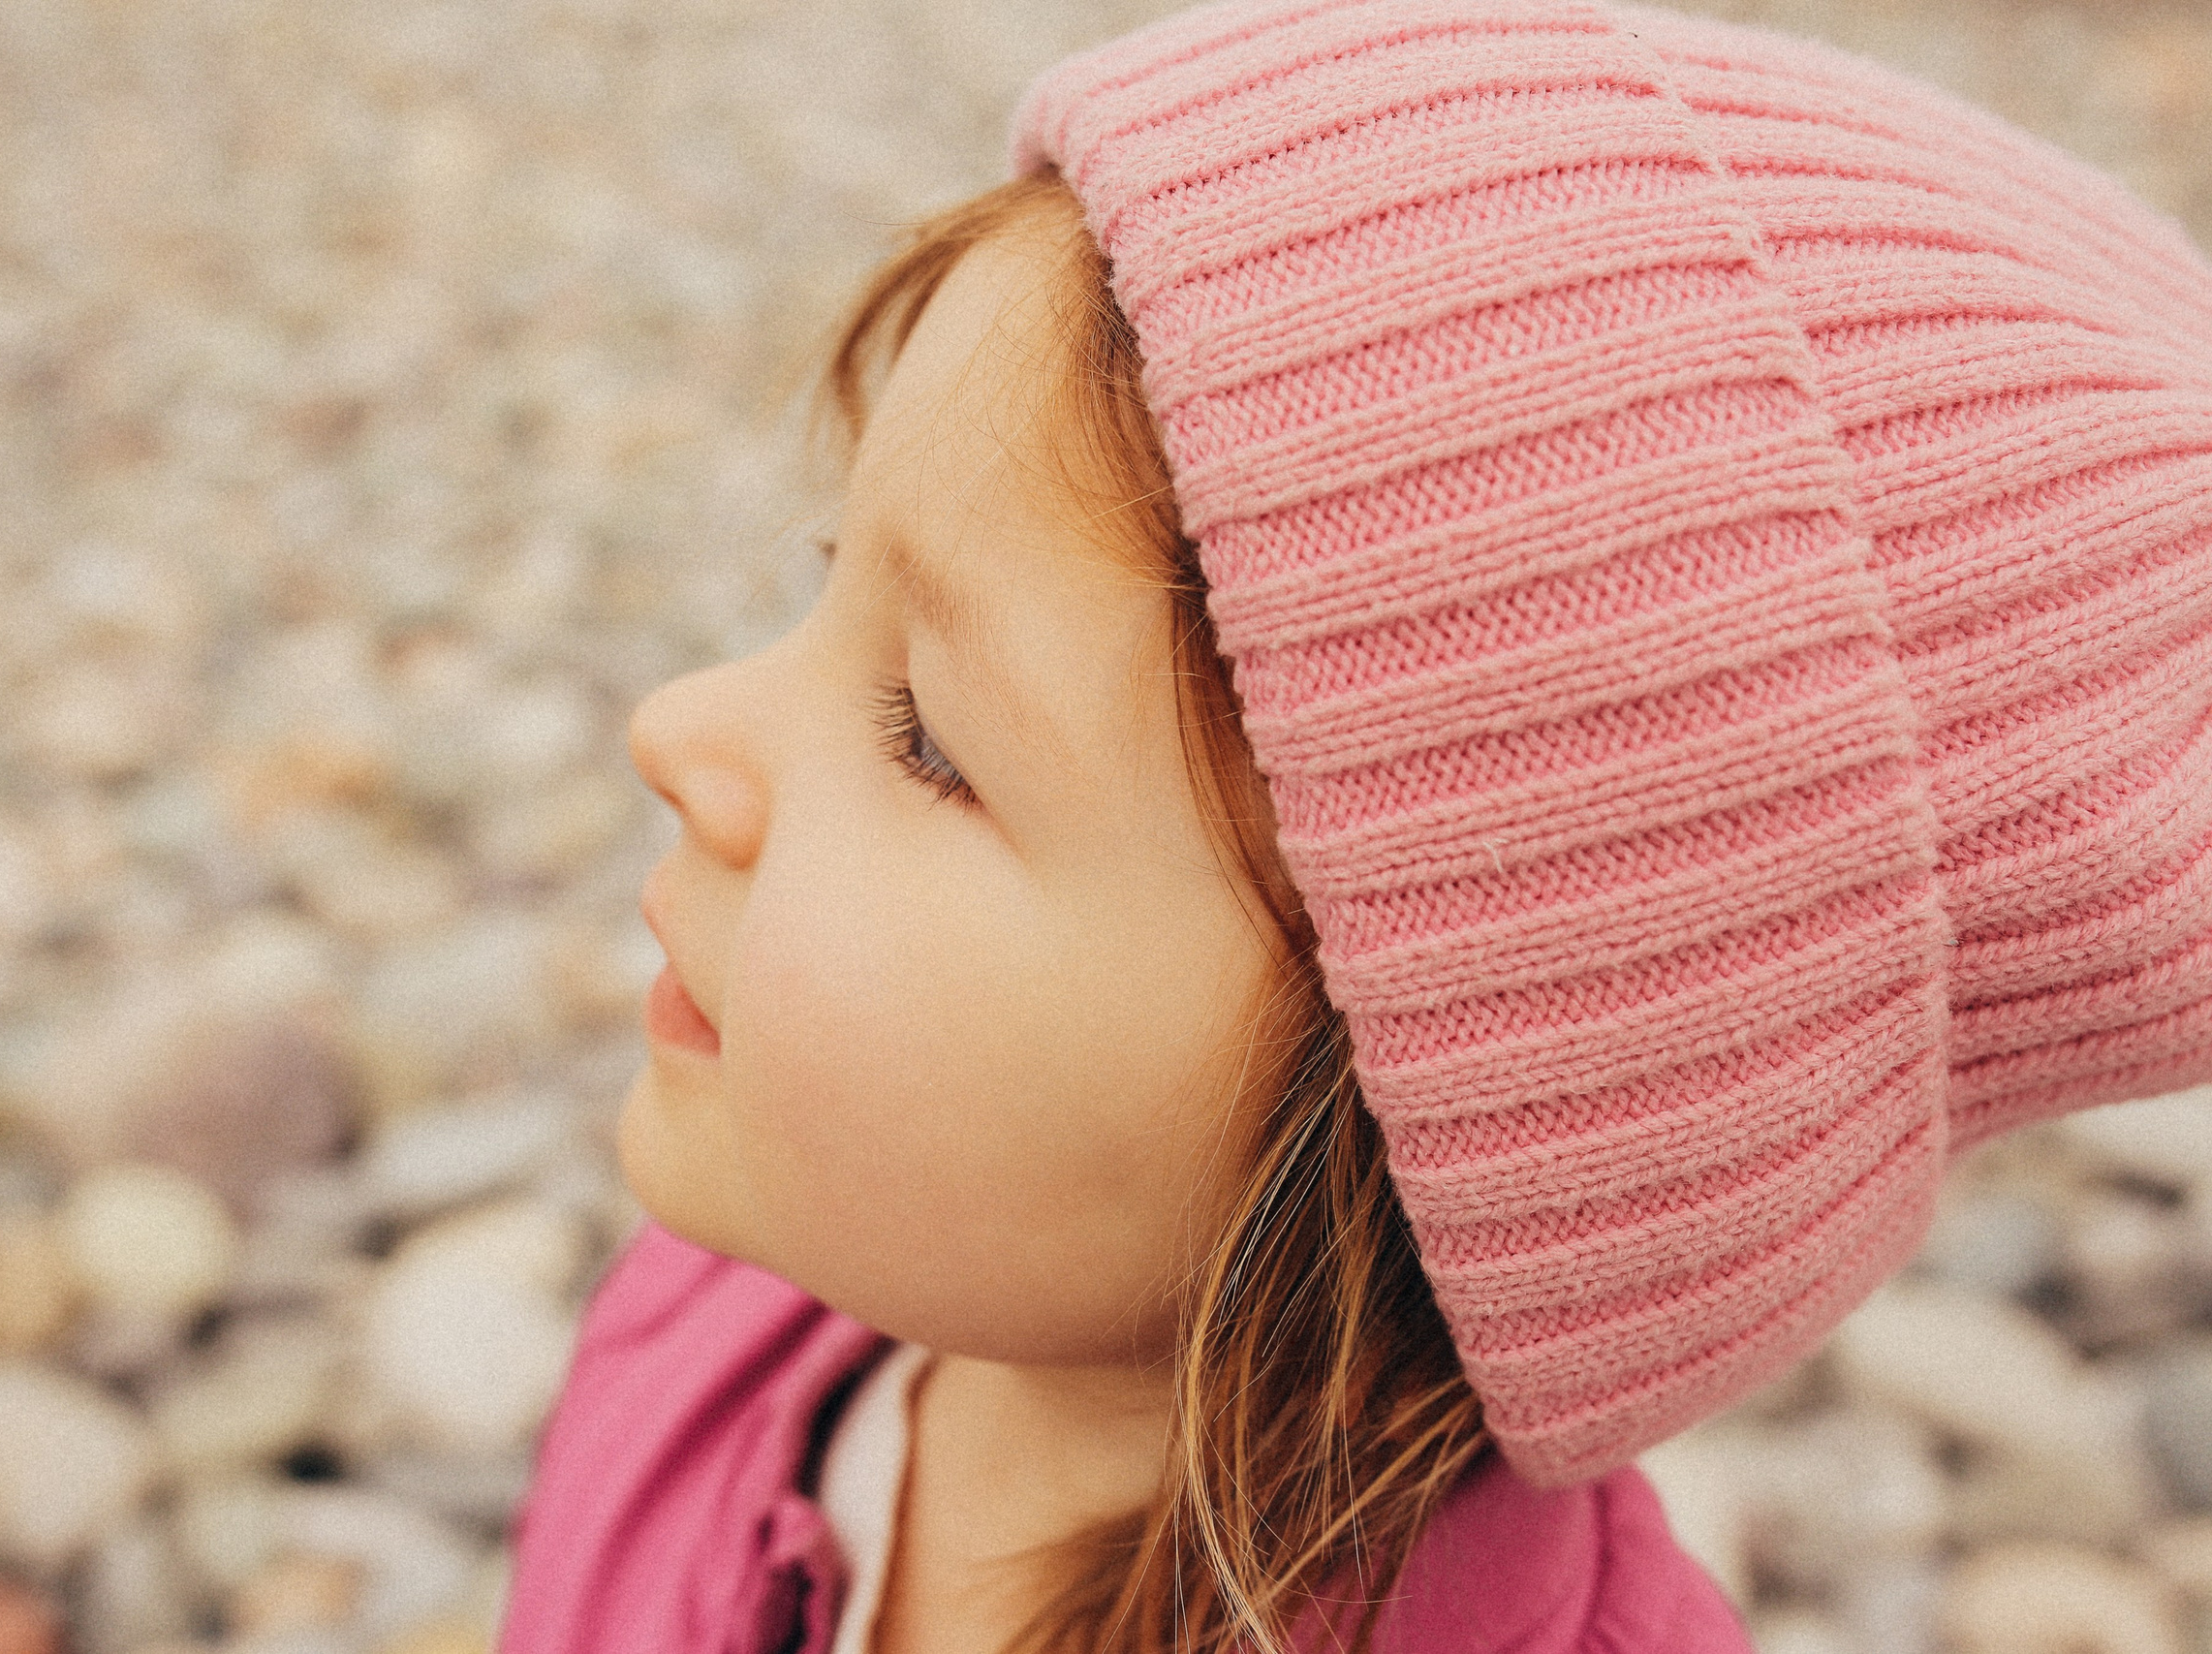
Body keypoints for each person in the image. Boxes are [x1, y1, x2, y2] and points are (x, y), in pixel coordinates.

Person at [496, 0, 2212, 1648]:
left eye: (931, 741)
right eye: (826, 585)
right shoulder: (721, 1327)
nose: (682, 728)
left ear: (1430, 1135)